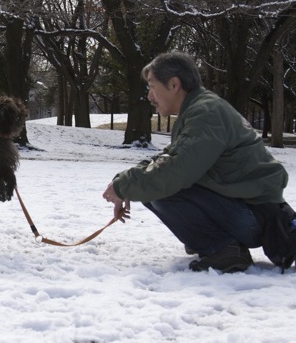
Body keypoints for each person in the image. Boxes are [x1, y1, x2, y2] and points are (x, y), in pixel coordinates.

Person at [103, 51, 292, 273]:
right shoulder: (199, 110)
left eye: (152, 87)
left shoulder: (206, 114)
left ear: (174, 84)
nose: (150, 97)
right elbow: (167, 158)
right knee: (152, 184)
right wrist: (123, 183)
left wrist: (124, 187)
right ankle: (219, 244)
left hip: (254, 217)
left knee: (162, 188)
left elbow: (174, 172)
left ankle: (224, 250)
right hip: (247, 212)